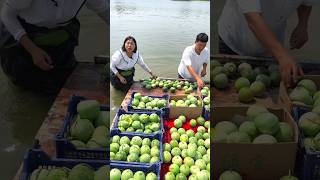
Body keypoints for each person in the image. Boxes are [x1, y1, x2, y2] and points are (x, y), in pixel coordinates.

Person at [0, 0, 108, 94]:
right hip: (20, 33)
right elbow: (7, 14)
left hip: (59, 32)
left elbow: (106, 12)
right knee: (23, 83)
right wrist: (32, 50)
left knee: (62, 82)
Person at [218, 0, 315, 86]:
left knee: (267, 87)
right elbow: (253, 18)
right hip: (237, 41)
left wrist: (302, 24)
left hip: (272, 44)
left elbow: (307, 2)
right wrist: (282, 55)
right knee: (229, 87)